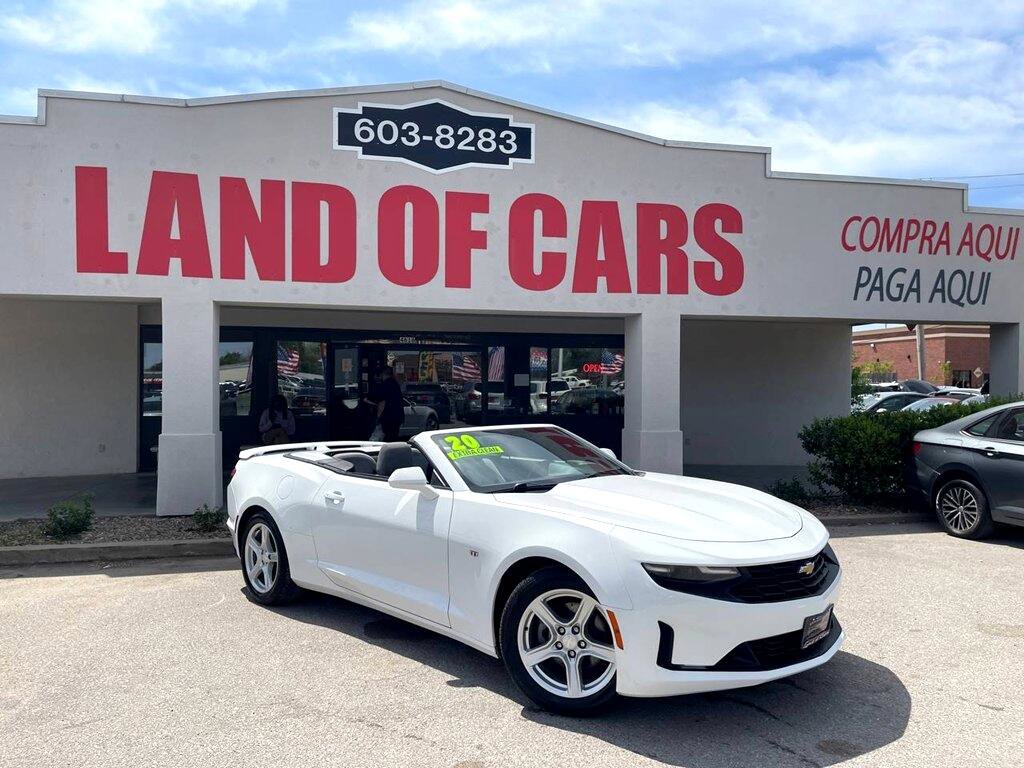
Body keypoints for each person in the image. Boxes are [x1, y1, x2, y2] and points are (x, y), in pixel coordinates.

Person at [366, 365, 405, 441]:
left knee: (387, 437)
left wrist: (378, 418)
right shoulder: (395, 384)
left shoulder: (386, 385)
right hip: (397, 417)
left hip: (389, 417)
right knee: (393, 437)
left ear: (382, 374)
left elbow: (381, 401)